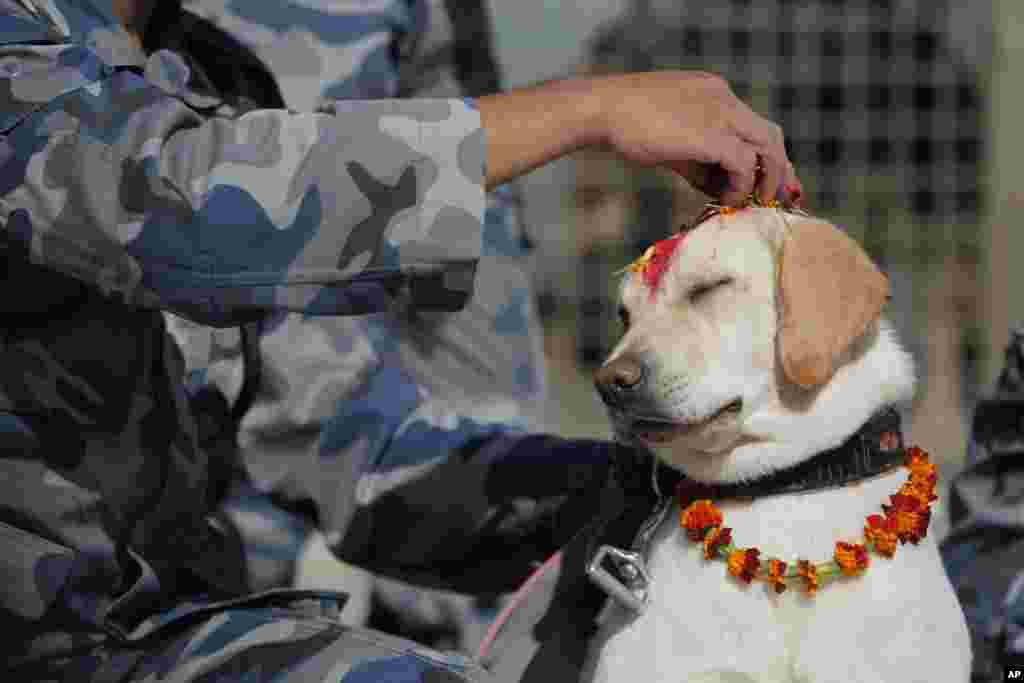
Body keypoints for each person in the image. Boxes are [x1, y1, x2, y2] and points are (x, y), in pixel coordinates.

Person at [0, 0, 801, 680]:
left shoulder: (209, 82)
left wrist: (655, 491)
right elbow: (192, 208)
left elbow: (349, 445)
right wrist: (590, 110)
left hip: (157, 639)